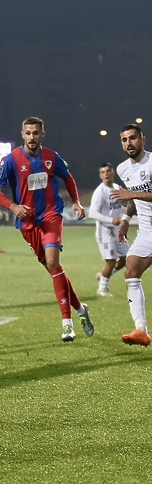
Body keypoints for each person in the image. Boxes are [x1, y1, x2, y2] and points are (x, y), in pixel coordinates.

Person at [0, 116, 94, 342]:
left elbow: (68, 177)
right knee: (54, 270)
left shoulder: (51, 157)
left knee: (54, 262)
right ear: (22, 134)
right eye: (28, 133)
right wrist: (13, 206)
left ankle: (67, 323)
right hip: (28, 222)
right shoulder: (11, 160)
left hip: (50, 215)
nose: (32, 137)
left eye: (36, 133)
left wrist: (76, 201)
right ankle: (80, 310)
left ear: (42, 134)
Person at [111, 123, 152, 346]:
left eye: (133, 138)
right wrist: (126, 220)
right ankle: (141, 330)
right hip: (147, 231)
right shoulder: (123, 169)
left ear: (143, 140)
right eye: (125, 139)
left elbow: (134, 194)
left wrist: (132, 194)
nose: (129, 143)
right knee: (131, 272)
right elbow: (134, 199)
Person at [88, 162, 127, 297]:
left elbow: (116, 207)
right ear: (100, 175)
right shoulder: (100, 192)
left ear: (113, 173)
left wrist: (128, 212)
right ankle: (102, 289)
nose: (106, 174)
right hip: (105, 232)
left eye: (108, 171)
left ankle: (103, 275)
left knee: (124, 260)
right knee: (110, 261)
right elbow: (92, 213)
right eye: (103, 172)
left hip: (117, 230)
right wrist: (111, 220)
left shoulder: (116, 188)